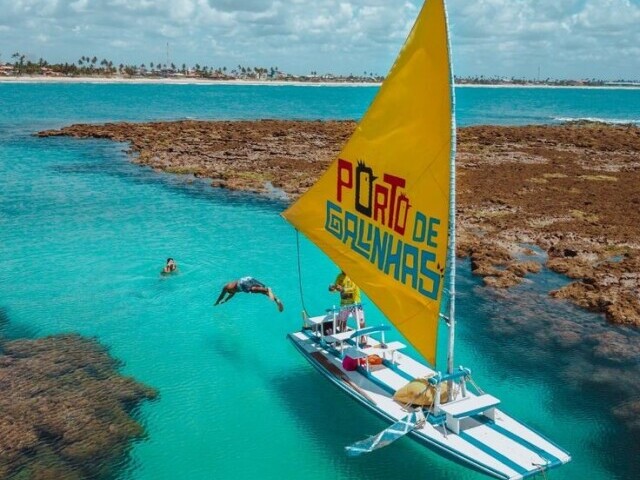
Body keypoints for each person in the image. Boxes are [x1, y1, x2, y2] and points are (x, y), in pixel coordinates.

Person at [214, 276, 284, 312]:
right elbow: (230, 295)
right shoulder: (231, 289)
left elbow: (221, 296)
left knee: (252, 290)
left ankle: (268, 289)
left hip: (242, 283)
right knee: (263, 292)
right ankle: (277, 300)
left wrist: (217, 302)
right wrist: (225, 300)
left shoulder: (225, 287)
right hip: (248, 278)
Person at [329, 270, 365, 335]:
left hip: (356, 303)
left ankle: (363, 338)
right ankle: (342, 337)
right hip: (344, 303)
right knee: (342, 321)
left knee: (361, 321)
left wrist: (343, 289)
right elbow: (336, 287)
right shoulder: (339, 276)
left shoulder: (353, 275)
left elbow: (353, 288)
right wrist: (332, 289)